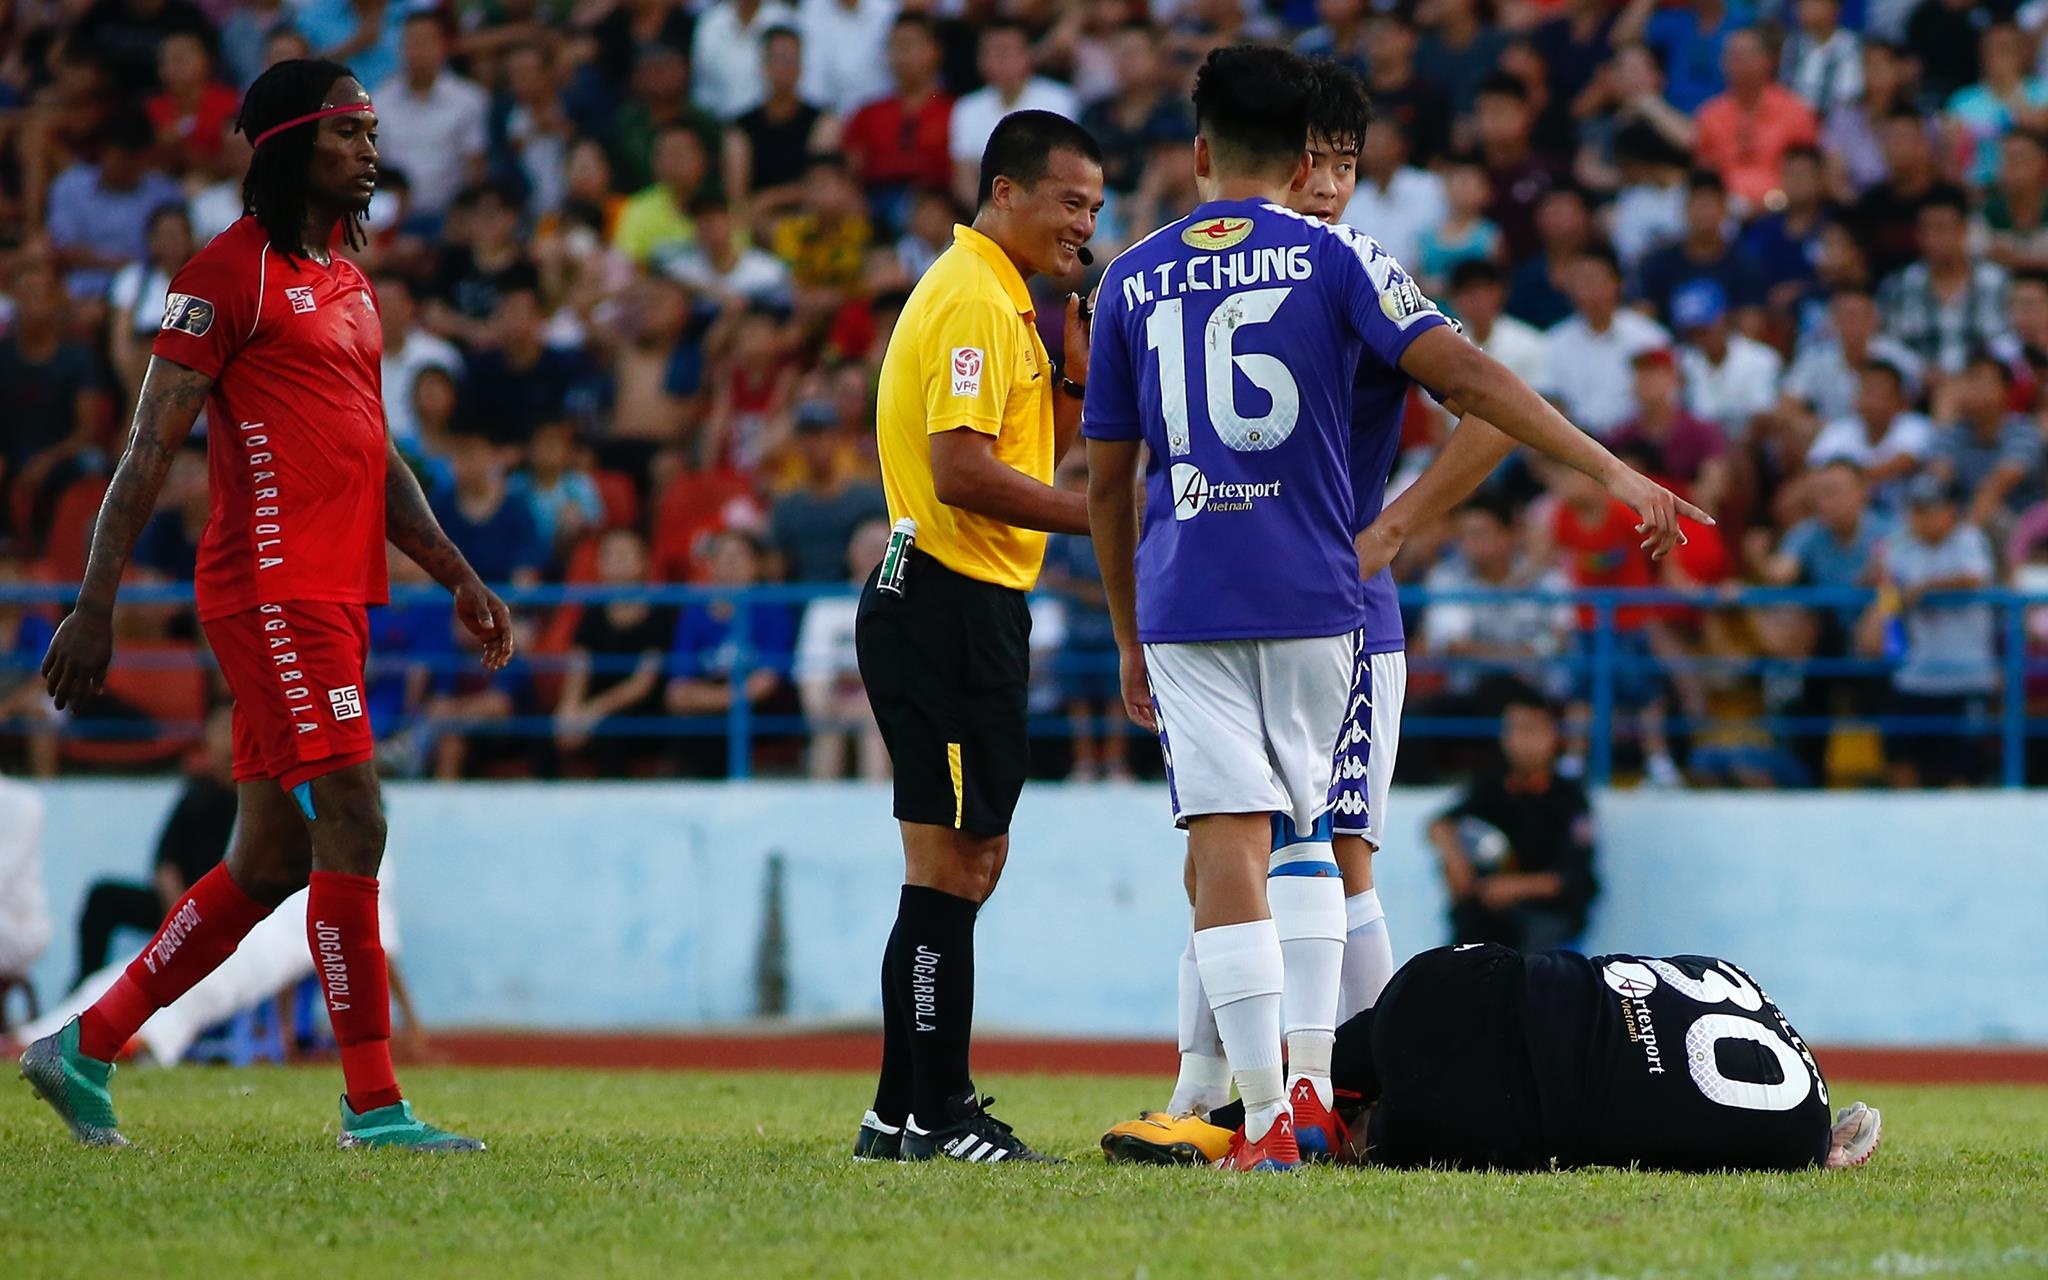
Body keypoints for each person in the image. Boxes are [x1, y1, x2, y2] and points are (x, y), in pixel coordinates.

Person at [1087, 46, 1700, 1173]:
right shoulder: (1343, 262)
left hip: (1199, 593)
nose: (1330, 181)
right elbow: (1478, 385)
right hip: (1315, 588)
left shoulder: (1129, 274)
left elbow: (1107, 481)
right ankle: (1272, 1098)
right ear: (1294, 160)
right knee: (1299, 841)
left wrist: (1129, 626)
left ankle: (1289, 1106)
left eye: (1349, 163)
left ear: (1199, 151)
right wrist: (1610, 470)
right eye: (1319, 160)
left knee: (1258, 842)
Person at [27, 60, 513, 1153]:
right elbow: (149, 447)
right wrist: (93, 604)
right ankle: (375, 1107)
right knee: (356, 817)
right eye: (348, 131)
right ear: (291, 144)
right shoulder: (224, 274)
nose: (370, 149)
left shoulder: (350, 278)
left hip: (336, 588)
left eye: (374, 131)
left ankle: (84, 1045)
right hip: (271, 586)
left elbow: (371, 448)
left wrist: (456, 571)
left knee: (269, 861)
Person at [850, 109, 1099, 1166]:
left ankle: (895, 1114)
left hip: (956, 601)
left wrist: (1073, 377)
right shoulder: (972, 300)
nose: (1084, 224)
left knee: (954, 862)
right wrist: (1104, 519)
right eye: (1070, 201)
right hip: (946, 602)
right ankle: (941, 1113)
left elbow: (1014, 456)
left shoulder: (1000, 298)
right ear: (1006, 192)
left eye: (1094, 207)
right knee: (955, 863)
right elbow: (960, 471)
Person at [1104, 943, 1882, 1175]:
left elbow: (1617, 970)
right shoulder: (1792, 1137)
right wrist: (1813, 1154)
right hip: (1490, 1116)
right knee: (1413, 1115)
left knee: (1387, 1032)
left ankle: (1248, 1114)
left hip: (1446, 994)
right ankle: (1351, 1127)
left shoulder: (1730, 975)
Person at [73, 706, 238, 990]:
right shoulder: (199, 797)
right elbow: (166, 863)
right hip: (186, 904)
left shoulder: (257, 801)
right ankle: (85, 988)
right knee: (103, 897)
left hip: (236, 908)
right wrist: (182, 921)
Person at [1428, 690, 1597, 951]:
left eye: (1529, 729)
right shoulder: (1492, 787)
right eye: (1513, 730)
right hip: (1489, 912)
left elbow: (1572, 877)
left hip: (1545, 916)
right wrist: (1455, 859)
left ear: (1551, 736)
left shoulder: (1569, 798)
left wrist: (1513, 887)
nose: (1519, 740)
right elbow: (1441, 824)